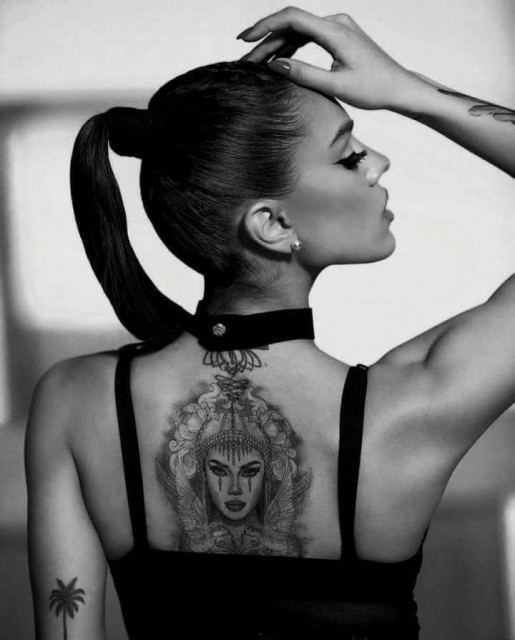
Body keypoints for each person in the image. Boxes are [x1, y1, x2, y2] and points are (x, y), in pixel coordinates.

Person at [25, 6, 515, 640]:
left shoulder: (78, 400)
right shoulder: (414, 404)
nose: (379, 163)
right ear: (273, 224)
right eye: (349, 157)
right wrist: (411, 91)